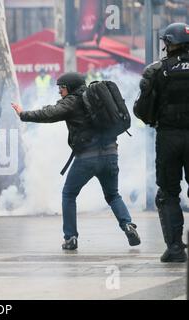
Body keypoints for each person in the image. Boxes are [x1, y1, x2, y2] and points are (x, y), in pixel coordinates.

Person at [12, 72, 141, 250]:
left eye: (62, 88)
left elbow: (49, 113)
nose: (59, 92)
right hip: (111, 154)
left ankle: (70, 238)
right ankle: (127, 225)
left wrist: (23, 114)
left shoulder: (73, 101)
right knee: (113, 195)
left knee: (69, 194)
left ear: (70, 87)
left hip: (87, 158)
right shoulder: (97, 98)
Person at [133, 22, 189, 263]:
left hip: (169, 138)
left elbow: (142, 110)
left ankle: (175, 249)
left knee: (168, 193)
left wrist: (154, 119)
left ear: (168, 43)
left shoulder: (156, 71)